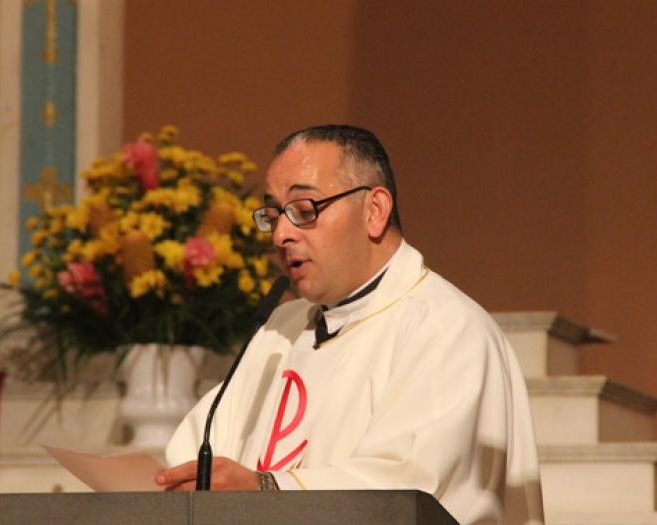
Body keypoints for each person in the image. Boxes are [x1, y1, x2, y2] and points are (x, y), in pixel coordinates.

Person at [157, 125, 544, 524]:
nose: (281, 235)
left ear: (374, 210)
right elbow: (197, 458)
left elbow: (408, 487)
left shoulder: (446, 330)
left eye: (303, 210)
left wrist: (267, 488)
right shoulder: (279, 328)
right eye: (273, 215)